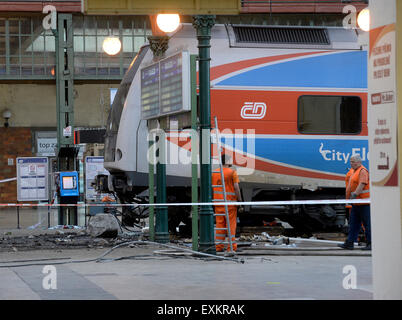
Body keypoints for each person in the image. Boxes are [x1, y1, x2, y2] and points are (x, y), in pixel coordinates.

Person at [212, 154, 243, 254]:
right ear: (228, 161)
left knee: (220, 225)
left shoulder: (214, 172)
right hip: (230, 204)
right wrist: (240, 201)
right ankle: (231, 247)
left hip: (218, 203)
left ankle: (218, 246)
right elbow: (236, 187)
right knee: (231, 226)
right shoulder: (232, 172)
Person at [339, 155, 371, 250]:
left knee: (367, 224)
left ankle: (370, 243)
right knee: (353, 224)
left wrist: (355, 194)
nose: (351, 163)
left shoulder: (362, 171)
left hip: (364, 203)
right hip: (356, 203)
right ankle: (350, 242)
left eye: (353, 162)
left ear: (358, 162)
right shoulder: (354, 171)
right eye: (351, 162)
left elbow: (362, 183)